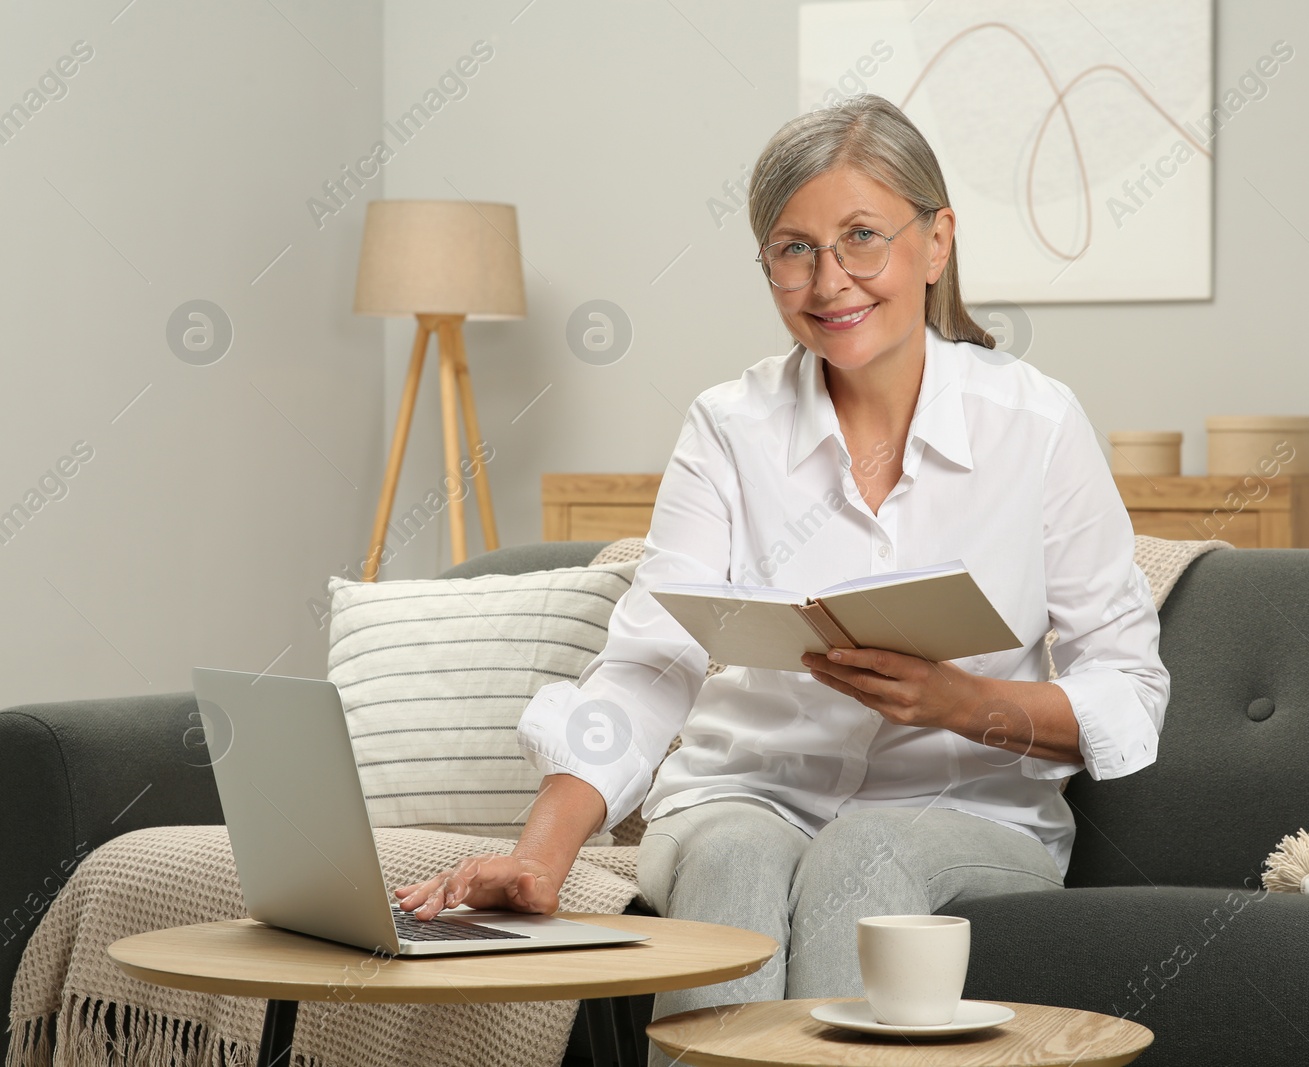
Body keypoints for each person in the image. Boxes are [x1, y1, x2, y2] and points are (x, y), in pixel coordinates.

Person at [395, 93, 1169, 1064]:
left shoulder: (1037, 422)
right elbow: (649, 664)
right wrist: (538, 853)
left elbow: (1129, 688)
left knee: (864, 852)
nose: (828, 280)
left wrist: (964, 701)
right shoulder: (730, 426)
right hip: (741, 791)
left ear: (935, 242)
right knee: (733, 852)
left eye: (860, 238)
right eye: (792, 248)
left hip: (965, 810)